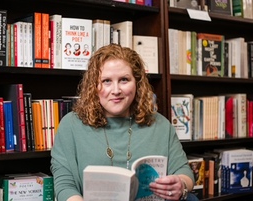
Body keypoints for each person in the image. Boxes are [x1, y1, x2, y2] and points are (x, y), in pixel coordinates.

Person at [51, 44, 199, 201]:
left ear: (137, 83)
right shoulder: (71, 125)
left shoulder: (160, 125)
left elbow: (184, 170)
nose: (116, 90)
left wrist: (181, 184)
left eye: (124, 80)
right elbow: (64, 184)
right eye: (106, 81)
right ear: (94, 86)